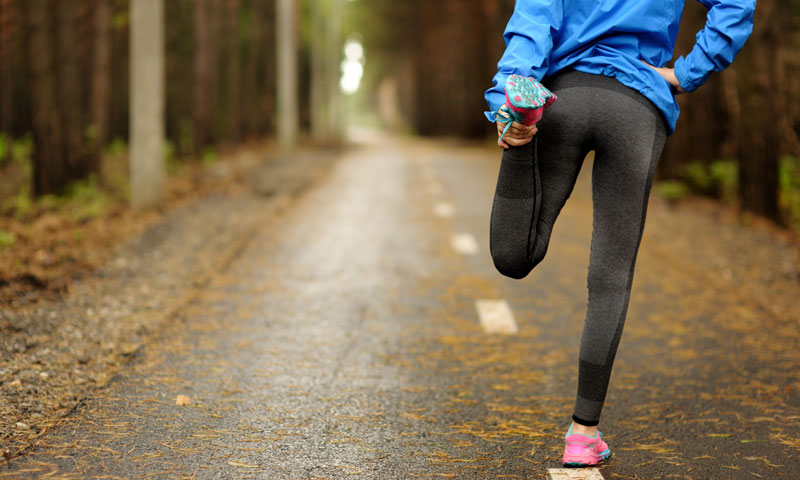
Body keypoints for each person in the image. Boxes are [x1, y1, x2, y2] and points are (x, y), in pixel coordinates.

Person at [484, 0, 756, 468]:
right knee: (611, 273)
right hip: (637, 103)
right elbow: (736, 5)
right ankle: (583, 435)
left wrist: (505, 97)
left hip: (562, 96)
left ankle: (520, 122)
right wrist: (687, 72)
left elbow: (533, 19)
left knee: (513, 255)